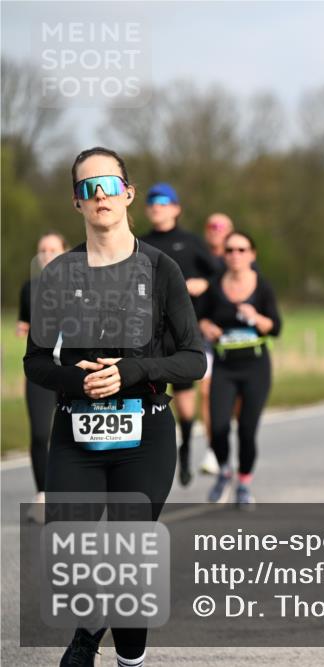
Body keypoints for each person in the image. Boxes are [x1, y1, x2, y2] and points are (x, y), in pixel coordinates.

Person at [25, 147, 206, 667]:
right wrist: (78, 382)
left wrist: (133, 371)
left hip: (145, 433)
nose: (99, 195)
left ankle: (102, 647)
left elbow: (193, 360)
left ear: (128, 194)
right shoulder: (59, 274)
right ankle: (98, 632)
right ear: (77, 202)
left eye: (109, 184)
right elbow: (35, 362)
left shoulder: (162, 269)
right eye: (88, 187)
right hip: (76, 431)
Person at [140, 183, 218, 486]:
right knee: (149, 400)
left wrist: (204, 284)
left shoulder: (191, 242)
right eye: (152, 203)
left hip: (182, 333)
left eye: (163, 203)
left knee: (186, 408)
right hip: (149, 335)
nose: (156, 208)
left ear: (176, 208)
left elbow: (218, 274)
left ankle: (185, 450)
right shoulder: (140, 244)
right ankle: (151, 458)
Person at [198, 232, 282, 509]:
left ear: (252, 254)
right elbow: (199, 317)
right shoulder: (214, 285)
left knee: (247, 429)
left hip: (255, 366)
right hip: (224, 365)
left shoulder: (263, 286)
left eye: (241, 250)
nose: (235, 255)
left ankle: (244, 483)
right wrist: (206, 326)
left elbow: (276, 327)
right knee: (218, 426)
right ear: (224, 254)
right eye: (230, 250)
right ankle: (224, 471)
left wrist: (256, 317)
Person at [16, 232, 68, 520]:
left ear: (65, 252)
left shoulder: (81, 284)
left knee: (72, 431)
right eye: (42, 250)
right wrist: (23, 327)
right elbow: (24, 321)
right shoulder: (29, 288)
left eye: (53, 249)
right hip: (41, 369)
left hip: (73, 368)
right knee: (39, 432)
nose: (47, 254)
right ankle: (43, 495)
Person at [197, 212, 236, 469]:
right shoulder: (199, 259)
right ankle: (213, 450)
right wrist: (203, 323)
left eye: (220, 226)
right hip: (207, 337)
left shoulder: (240, 259)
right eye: (211, 225)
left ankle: (231, 442)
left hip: (235, 339)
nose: (215, 229)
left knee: (236, 400)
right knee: (207, 393)